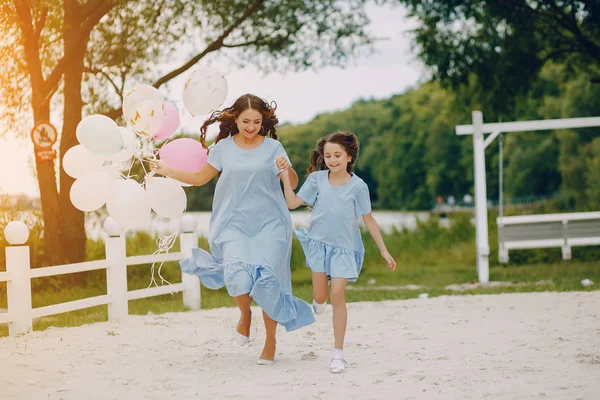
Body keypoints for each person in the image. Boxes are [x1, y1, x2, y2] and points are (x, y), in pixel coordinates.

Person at [149, 93, 315, 365]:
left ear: (264, 121)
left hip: (271, 224)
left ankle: (270, 343)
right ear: (235, 119)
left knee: (268, 281)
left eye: (256, 122)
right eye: (246, 121)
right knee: (236, 274)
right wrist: (167, 170)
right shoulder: (224, 149)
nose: (251, 127)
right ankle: (245, 313)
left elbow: (292, 183)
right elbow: (200, 178)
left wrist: (287, 168)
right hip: (233, 224)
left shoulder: (273, 148)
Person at [276, 131, 396, 374]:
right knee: (321, 298)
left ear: (349, 157)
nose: (332, 160)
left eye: (337, 155)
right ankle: (318, 302)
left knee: (337, 295)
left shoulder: (358, 186)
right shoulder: (317, 180)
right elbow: (292, 203)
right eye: (328, 155)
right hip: (319, 247)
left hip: (344, 250)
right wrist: (283, 177)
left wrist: (383, 250)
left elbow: (369, 220)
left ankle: (338, 355)